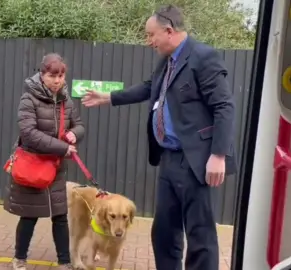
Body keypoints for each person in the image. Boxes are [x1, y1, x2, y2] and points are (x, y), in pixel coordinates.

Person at [81, 5, 236, 270]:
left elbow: (224, 106)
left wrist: (218, 155)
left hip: (197, 160)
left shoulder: (203, 57)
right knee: (164, 231)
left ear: (169, 31)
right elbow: (148, 87)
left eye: (151, 35)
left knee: (200, 235)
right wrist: (108, 97)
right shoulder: (168, 60)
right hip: (168, 159)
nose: (148, 41)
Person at [3, 53, 85, 270]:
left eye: (61, 75)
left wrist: (75, 134)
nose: (58, 81)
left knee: (60, 217)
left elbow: (78, 124)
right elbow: (28, 133)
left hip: (56, 168)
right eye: (52, 76)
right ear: (42, 74)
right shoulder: (28, 99)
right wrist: (63, 147)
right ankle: (19, 258)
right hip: (34, 166)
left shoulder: (66, 101)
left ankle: (64, 262)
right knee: (29, 216)